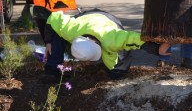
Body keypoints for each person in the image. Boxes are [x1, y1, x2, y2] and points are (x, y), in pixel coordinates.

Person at [33, 6, 170, 82]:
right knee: (57, 33)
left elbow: (136, 39)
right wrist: (49, 42)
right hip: (84, 19)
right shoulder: (70, 30)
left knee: (116, 73)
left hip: (108, 19)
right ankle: (52, 69)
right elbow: (49, 16)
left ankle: (119, 67)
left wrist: (158, 49)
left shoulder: (113, 38)